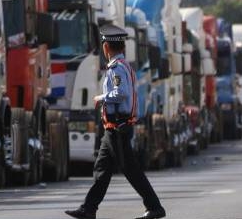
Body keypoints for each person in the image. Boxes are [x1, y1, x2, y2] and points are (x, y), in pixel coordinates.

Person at [65, 24, 166, 219]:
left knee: (131, 170)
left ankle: (155, 207)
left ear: (106, 47)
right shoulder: (122, 65)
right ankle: (88, 208)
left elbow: (121, 94)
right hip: (112, 127)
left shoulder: (116, 68)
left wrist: (101, 98)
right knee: (101, 170)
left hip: (118, 126)